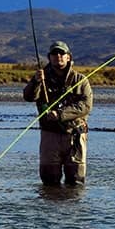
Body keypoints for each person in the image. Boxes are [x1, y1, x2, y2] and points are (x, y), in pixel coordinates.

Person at [23, 41, 93, 186]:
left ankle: (72, 209)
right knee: (49, 181)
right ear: (49, 57)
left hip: (75, 135)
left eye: (62, 53)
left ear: (69, 57)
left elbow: (85, 106)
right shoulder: (41, 78)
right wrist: (35, 82)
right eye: (54, 54)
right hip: (50, 135)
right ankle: (49, 209)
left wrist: (60, 114)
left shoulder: (80, 80)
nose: (58, 56)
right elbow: (29, 97)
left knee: (76, 182)